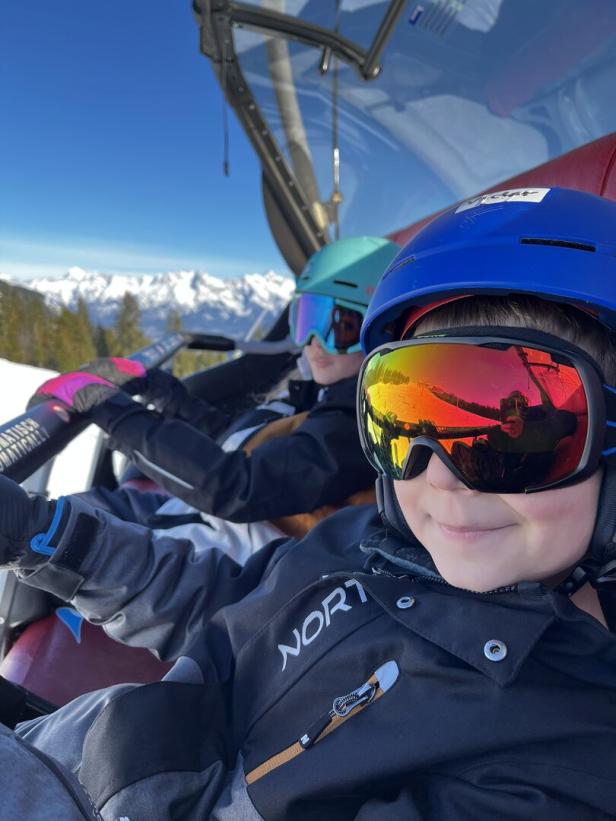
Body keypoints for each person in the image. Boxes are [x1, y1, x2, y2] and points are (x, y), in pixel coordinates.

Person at [0, 186, 615, 819]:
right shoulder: (367, 541)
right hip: (61, 752)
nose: (443, 478)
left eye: (517, 436)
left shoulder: (559, 763)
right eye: (404, 420)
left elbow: (237, 488)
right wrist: (39, 533)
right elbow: (224, 606)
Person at [28, 237, 398, 560]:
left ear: (382, 333)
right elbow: (244, 442)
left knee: (52, 531)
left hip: (243, 563)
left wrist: (111, 411)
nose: (315, 341)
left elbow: (241, 486)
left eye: (340, 326)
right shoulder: (324, 392)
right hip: (215, 529)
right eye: (306, 320)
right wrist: (163, 391)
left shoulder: (360, 422)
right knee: (74, 511)